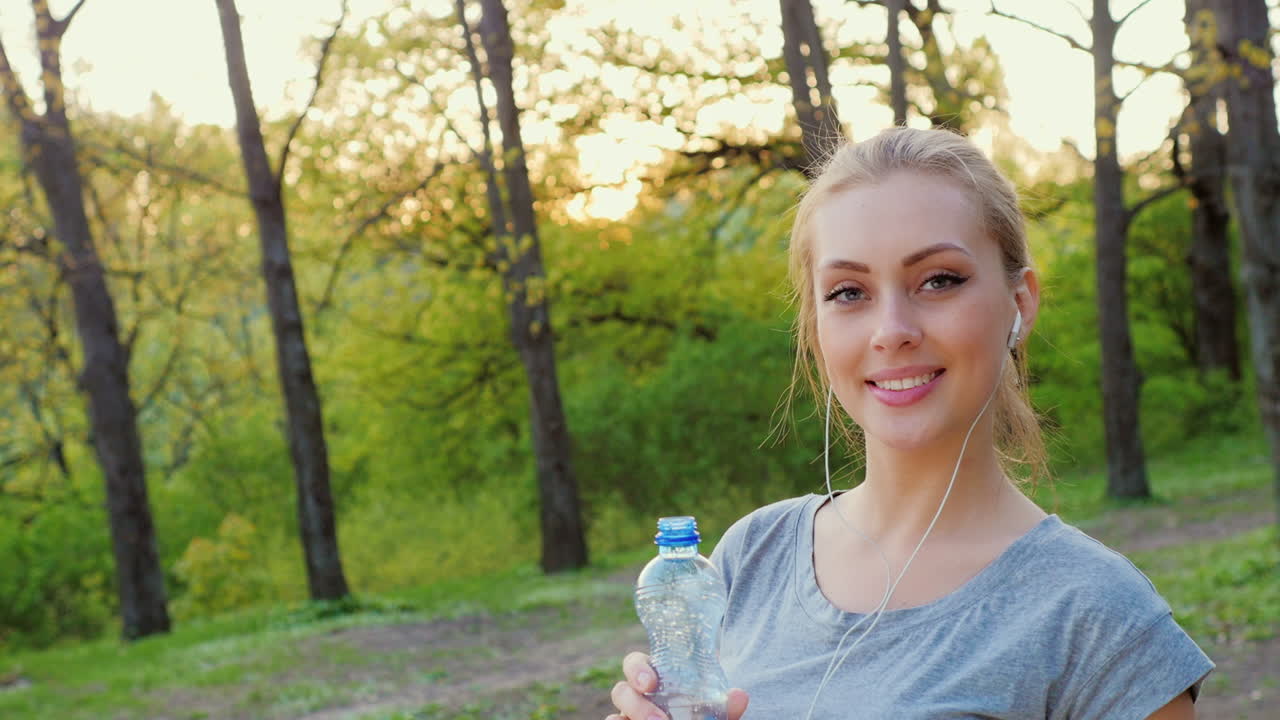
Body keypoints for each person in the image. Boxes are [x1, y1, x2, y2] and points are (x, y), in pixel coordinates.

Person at [606, 127, 1214, 720]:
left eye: (939, 280)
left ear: (1020, 303)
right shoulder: (749, 557)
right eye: (848, 292)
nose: (892, 329)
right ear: (814, 326)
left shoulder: (1097, 616)